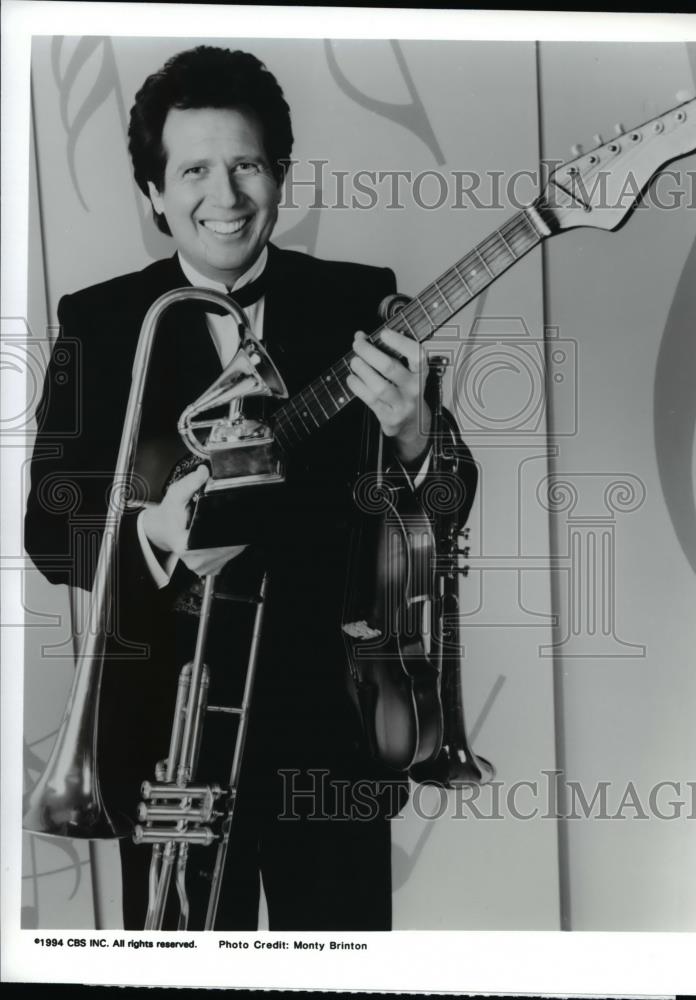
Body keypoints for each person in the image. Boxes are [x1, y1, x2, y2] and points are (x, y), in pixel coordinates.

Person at [25, 45, 477, 931]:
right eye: (192, 169)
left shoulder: (359, 302)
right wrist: (151, 529)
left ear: (281, 177)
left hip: (332, 732)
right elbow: (49, 531)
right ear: (154, 193)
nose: (224, 197)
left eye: (247, 165)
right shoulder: (102, 321)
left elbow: (448, 505)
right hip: (166, 736)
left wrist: (416, 436)